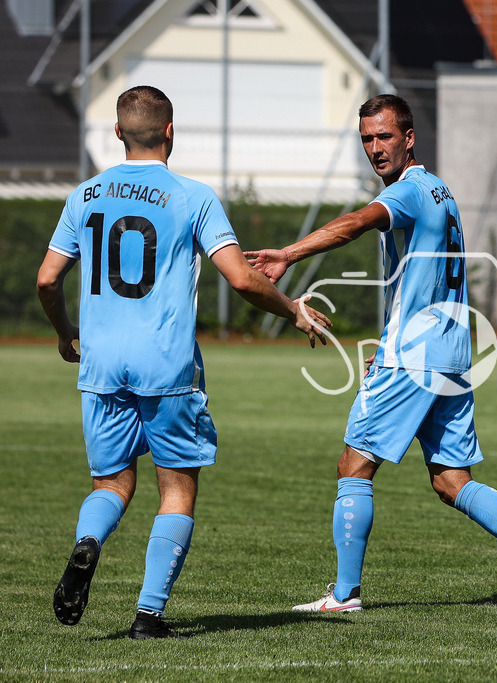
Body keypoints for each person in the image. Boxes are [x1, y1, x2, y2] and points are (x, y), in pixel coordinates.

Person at [245, 94, 497, 613]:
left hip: (417, 353)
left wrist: (288, 252)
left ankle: (344, 595)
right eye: (367, 138)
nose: (375, 147)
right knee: (450, 480)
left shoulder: (410, 192)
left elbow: (355, 221)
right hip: (450, 352)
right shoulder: (440, 192)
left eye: (385, 136)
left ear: (409, 138)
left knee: (354, 465)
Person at [37, 85, 332, 639]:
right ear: (171, 132)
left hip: (101, 364)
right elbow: (241, 277)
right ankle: (148, 615)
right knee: (176, 488)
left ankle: (89, 542)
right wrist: (292, 310)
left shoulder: (85, 195)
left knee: (111, 484)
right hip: (166, 365)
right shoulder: (192, 197)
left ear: (118, 133)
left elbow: (47, 278)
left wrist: (64, 333)